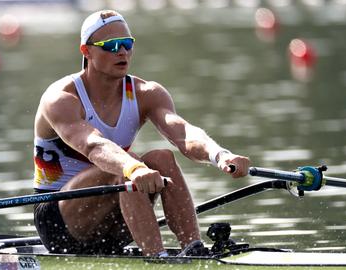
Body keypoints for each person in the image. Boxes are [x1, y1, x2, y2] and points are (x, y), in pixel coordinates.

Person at [32, 10, 250, 257]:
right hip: (59, 222)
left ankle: (193, 248)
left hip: (116, 217)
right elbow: (93, 145)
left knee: (162, 158)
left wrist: (219, 155)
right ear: (86, 51)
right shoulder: (61, 99)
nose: (122, 51)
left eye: (127, 44)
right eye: (111, 45)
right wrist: (134, 169)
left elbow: (184, 133)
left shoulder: (147, 93)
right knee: (126, 166)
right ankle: (157, 258)